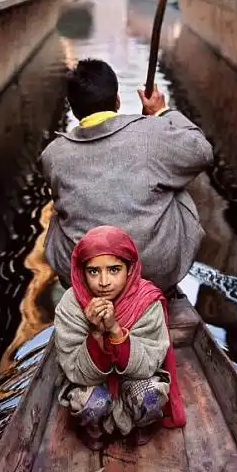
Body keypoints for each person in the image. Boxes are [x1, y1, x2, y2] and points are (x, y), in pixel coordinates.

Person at [40, 58, 214, 295]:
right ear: (118, 100)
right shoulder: (152, 133)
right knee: (175, 177)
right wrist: (161, 112)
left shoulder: (52, 155)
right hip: (154, 271)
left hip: (84, 274)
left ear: (72, 107)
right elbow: (202, 152)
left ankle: (89, 287)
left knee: (57, 213)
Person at [53, 225, 186, 450]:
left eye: (114, 269)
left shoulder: (146, 301)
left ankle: (143, 423)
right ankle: (94, 428)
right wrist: (95, 333)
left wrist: (115, 330)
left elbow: (148, 365)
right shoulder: (70, 305)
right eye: (93, 271)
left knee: (150, 396)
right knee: (89, 402)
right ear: (81, 272)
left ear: (130, 269)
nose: (104, 282)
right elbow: (74, 370)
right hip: (93, 382)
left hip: (133, 380)